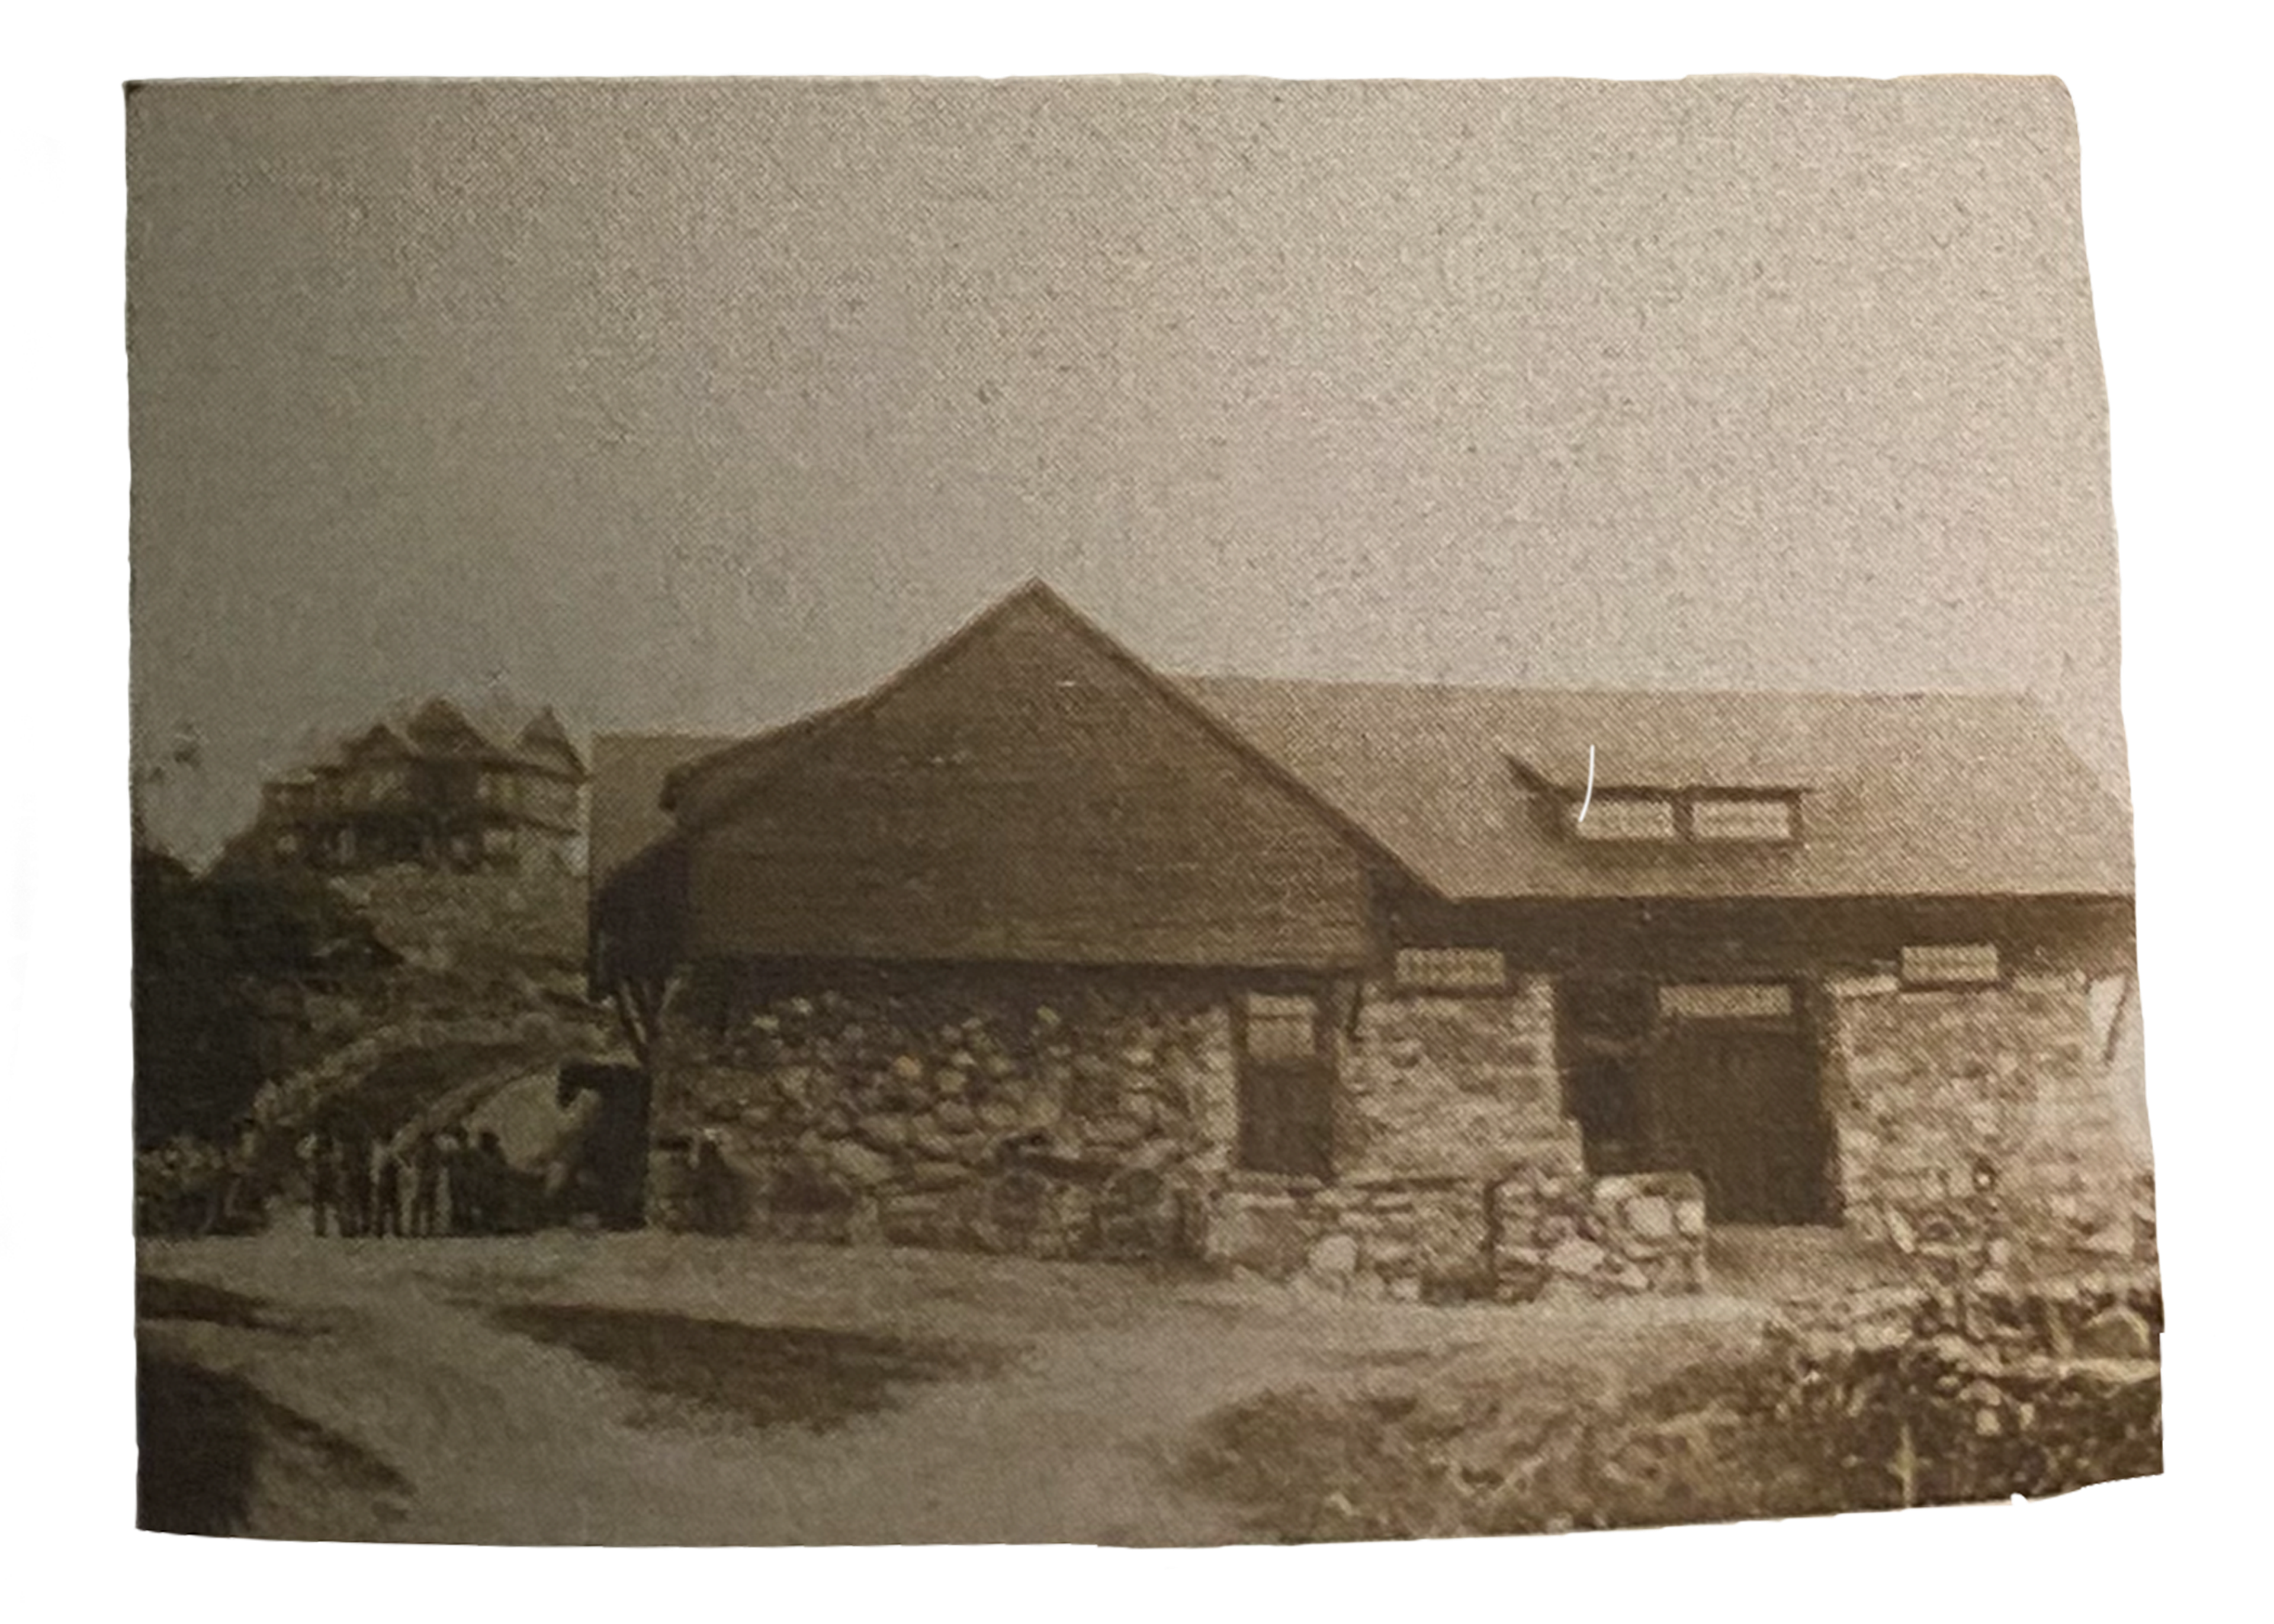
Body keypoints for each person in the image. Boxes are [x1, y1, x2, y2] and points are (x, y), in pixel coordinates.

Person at [306, 1130, 340, 1238]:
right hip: (322, 1178)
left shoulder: (316, 1150)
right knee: (322, 1205)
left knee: (321, 1205)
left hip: (322, 1178)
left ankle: (321, 1229)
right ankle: (321, 1229)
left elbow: (306, 1156)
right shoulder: (326, 1153)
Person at [408, 1134, 441, 1237]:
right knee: (431, 1205)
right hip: (433, 1178)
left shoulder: (422, 1150)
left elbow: (418, 1164)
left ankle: (415, 1229)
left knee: (417, 1204)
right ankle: (430, 1229)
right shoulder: (436, 1150)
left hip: (422, 1179)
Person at [340, 1133, 372, 1238]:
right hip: (359, 1177)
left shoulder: (345, 1150)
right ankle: (360, 1227)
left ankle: (350, 1228)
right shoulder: (362, 1149)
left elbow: (342, 1165)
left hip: (353, 1177)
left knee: (351, 1203)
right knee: (361, 1203)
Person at [371, 1137, 403, 1238]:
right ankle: (395, 1229)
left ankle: (380, 1230)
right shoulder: (391, 1152)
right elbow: (399, 1165)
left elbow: (376, 1167)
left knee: (382, 1206)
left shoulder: (378, 1152)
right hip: (390, 1180)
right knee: (393, 1207)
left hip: (384, 1180)